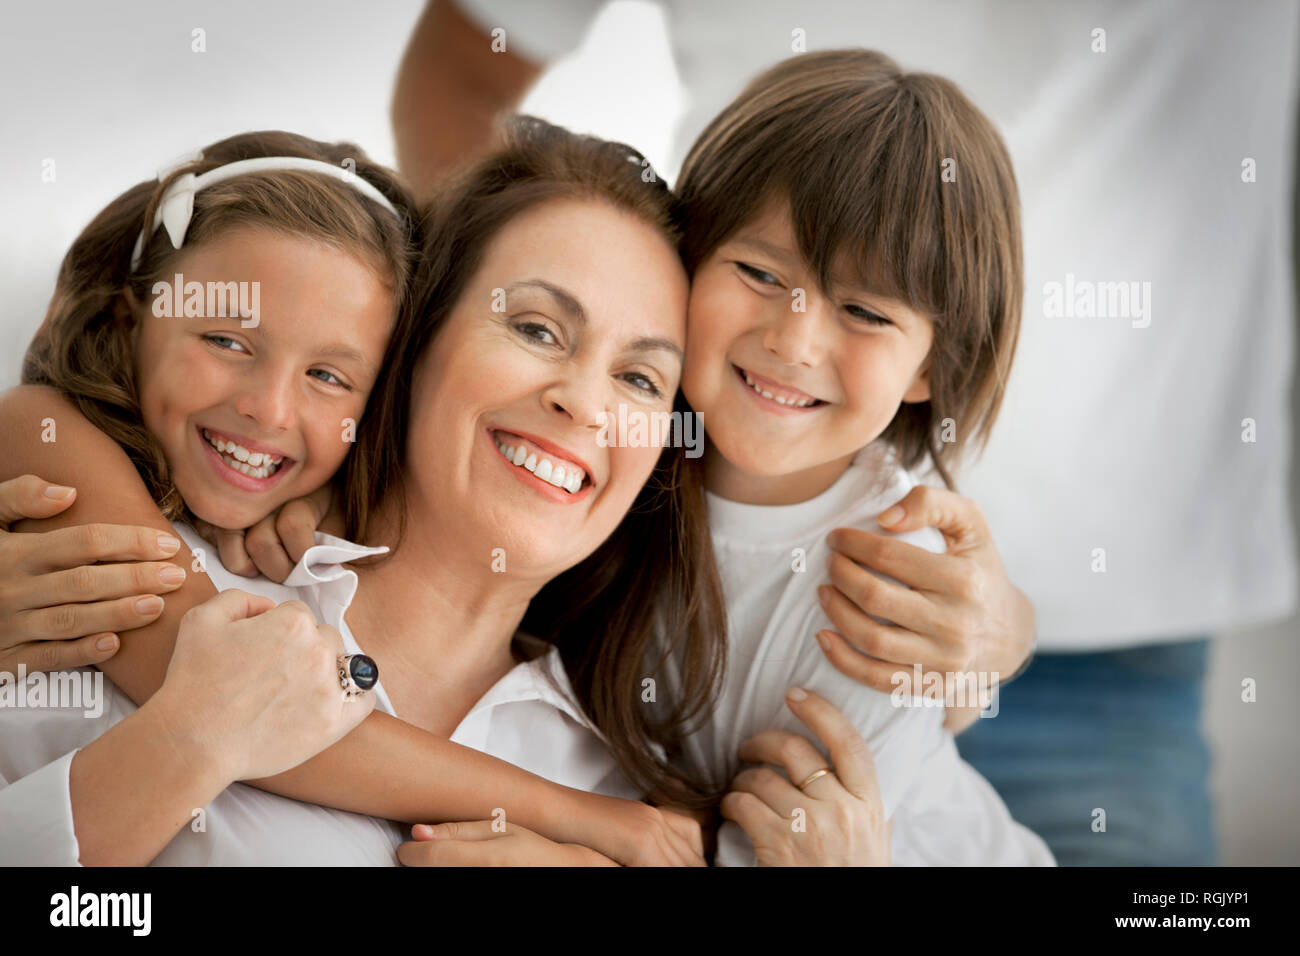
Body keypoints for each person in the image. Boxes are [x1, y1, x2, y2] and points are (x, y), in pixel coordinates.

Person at [387, 0, 1300, 866]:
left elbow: (786, 844)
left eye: (864, 310)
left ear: (933, 370)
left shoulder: (884, 586)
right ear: (687, 257)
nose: (795, 339)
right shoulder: (612, 452)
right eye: (754, 270)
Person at [0, 122, 718, 864]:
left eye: (640, 380)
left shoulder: (630, 800)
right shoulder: (91, 584)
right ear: (412, 342)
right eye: (535, 329)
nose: (584, 403)